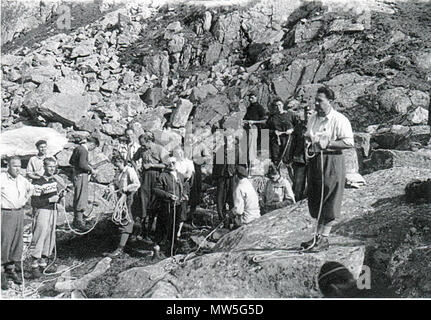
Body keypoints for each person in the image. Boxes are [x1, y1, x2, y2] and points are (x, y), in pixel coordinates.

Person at [301, 86, 354, 251]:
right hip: (315, 160)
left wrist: (329, 143)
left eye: (320, 100)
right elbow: (308, 136)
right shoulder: (313, 119)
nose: (316, 103)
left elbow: (348, 142)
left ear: (330, 101)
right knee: (316, 198)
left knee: (330, 198)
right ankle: (317, 237)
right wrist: (309, 143)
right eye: (315, 100)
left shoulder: (339, 119)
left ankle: (324, 238)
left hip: (332, 160)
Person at [1, 156, 34, 290]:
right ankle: (1, 273)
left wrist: (25, 199)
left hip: (19, 213)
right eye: (14, 165)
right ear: (8, 166)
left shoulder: (21, 179)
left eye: (19, 166)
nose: (17, 168)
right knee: (4, 242)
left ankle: (11, 270)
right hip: (5, 213)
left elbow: (31, 188)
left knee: (16, 242)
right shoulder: (2, 178)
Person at [29, 157, 64, 278]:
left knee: (50, 236)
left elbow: (57, 195)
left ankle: (44, 264)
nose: (52, 169)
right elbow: (34, 202)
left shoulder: (54, 181)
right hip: (42, 211)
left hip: (52, 211)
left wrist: (60, 196)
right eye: (50, 166)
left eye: (54, 167)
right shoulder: (38, 182)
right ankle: (34, 266)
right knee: (40, 235)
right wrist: (50, 199)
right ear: (44, 167)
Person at [132, 132, 169, 242]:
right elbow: (133, 159)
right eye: (141, 145)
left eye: (143, 144)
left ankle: (149, 231)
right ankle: (141, 231)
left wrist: (152, 165)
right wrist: (136, 170)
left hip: (156, 177)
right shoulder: (141, 150)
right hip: (145, 178)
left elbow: (166, 164)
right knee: (143, 202)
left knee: (154, 203)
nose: (142, 147)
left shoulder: (159, 149)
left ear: (149, 141)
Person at [103, 156, 141, 258]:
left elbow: (137, 184)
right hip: (121, 199)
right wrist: (111, 187)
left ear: (121, 162)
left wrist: (126, 188)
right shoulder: (118, 172)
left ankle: (121, 248)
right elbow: (114, 182)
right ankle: (125, 244)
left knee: (126, 221)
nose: (115, 166)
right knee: (121, 220)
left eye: (117, 164)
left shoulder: (129, 170)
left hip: (129, 198)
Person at [153, 157, 187, 259]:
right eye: (169, 163)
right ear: (167, 165)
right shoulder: (163, 175)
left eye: (173, 162)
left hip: (178, 205)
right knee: (163, 226)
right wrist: (168, 196)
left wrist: (184, 194)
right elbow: (156, 189)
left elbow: (184, 187)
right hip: (166, 205)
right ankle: (156, 248)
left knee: (175, 226)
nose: (172, 164)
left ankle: (171, 249)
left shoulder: (180, 175)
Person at [69, 136, 99, 231]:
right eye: (93, 147)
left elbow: (71, 161)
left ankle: (76, 219)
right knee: (82, 197)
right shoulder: (84, 150)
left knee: (77, 196)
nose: (92, 149)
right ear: (92, 144)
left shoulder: (77, 148)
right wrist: (91, 170)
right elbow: (82, 164)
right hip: (82, 175)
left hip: (76, 174)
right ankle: (79, 220)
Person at [288, 105, 314, 201]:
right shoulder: (299, 127)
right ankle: (296, 204)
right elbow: (292, 143)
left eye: (310, 113)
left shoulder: (317, 126)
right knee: (298, 186)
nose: (307, 115)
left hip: (313, 160)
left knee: (313, 185)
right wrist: (290, 158)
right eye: (306, 113)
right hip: (299, 160)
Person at [266, 98, 298, 167]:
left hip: (288, 140)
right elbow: (265, 130)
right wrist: (274, 132)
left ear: (283, 105)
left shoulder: (290, 115)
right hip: (276, 140)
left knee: (287, 158)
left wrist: (292, 130)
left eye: (279, 105)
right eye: (276, 106)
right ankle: (277, 175)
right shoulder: (272, 117)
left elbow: (298, 126)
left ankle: (288, 175)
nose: (278, 107)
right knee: (276, 159)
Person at [172, 146, 194, 238]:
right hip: (174, 186)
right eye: (177, 153)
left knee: (183, 207)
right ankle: (172, 229)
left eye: (180, 153)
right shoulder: (173, 162)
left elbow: (188, 175)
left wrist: (178, 175)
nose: (179, 155)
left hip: (184, 186)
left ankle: (179, 230)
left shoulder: (189, 162)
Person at [243, 91, 267, 164]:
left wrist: (253, 122)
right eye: (249, 98)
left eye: (252, 98)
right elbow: (245, 118)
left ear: (256, 97)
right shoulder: (249, 107)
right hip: (247, 128)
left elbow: (264, 120)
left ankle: (251, 161)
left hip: (254, 128)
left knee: (252, 145)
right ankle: (246, 161)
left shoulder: (259, 107)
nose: (250, 99)